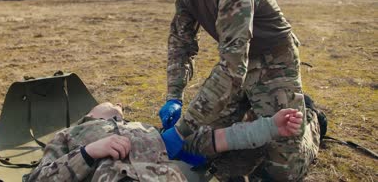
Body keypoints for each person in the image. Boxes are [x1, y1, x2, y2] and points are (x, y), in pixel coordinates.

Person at [149, 0, 324, 181]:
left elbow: (232, 69)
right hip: (237, 68)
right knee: (204, 142)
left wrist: (182, 129)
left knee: (283, 171)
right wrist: (174, 96)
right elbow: (180, 46)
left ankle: (310, 119)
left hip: (273, 62)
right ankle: (254, 110)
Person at [26, 102, 305, 181]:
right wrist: (88, 153)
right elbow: (38, 178)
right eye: (110, 103)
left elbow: (215, 139)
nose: (118, 105)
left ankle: (313, 117)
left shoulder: (148, 131)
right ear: (89, 115)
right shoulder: (70, 136)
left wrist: (270, 127)